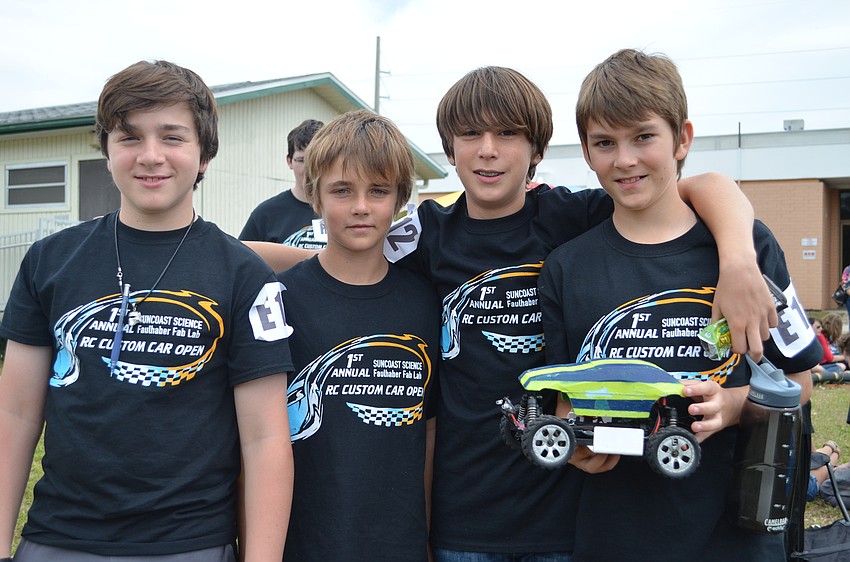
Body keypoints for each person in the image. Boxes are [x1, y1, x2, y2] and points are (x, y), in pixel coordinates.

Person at [248, 65, 779, 560]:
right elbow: (337, 254)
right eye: (470, 136)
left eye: (507, 134)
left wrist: (737, 260)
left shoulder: (574, 217)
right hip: (465, 512)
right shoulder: (427, 234)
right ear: (448, 150)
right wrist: (216, 258)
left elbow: (702, 186)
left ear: (537, 149)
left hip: (564, 501)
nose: (488, 152)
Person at [0, 60, 294, 562]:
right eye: (129, 137)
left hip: (190, 542)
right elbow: (16, 413)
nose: (151, 156)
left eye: (173, 137)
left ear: (204, 155)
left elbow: (265, 438)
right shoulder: (49, 261)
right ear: (107, 150)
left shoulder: (244, 275)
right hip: (58, 538)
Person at [538, 48, 821, 561]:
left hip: (737, 537)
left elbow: (799, 384)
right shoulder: (565, 268)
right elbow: (563, 399)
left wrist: (734, 406)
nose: (624, 159)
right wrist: (579, 445)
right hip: (615, 536)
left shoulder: (749, 249)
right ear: (586, 152)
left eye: (643, 136)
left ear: (682, 138)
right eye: (605, 143)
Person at [279, 110, 440, 561]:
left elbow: (427, 433)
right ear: (315, 197)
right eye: (342, 190)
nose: (361, 207)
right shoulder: (282, 301)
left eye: (378, 191)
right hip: (305, 543)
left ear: (400, 200)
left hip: (399, 543)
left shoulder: (423, 303)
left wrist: (424, 534)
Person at [239, 119, 327, 248]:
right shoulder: (266, 214)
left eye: (316, 160)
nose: (309, 169)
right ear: (289, 161)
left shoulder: (343, 210)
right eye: (301, 160)